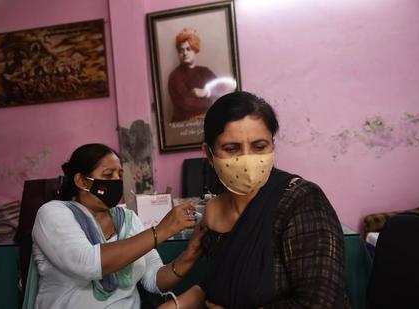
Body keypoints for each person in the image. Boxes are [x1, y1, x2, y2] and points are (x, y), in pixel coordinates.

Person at [160, 91, 351, 308]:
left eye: (259, 147)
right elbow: (225, 284)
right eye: (231, 149)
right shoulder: (213, 213)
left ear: (273, 146)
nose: (247, 159)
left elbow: (321, 302)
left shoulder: (301, 202)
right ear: (209, 154)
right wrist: (176, 305)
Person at [32, 143, 205, 308]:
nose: (116, 181)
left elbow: (153, 279)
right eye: (108, 175)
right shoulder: (54, 213)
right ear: (82, 182)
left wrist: (190, 254)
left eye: (119, 175)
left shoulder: (128, 220)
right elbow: (88, 264)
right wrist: (161, 231)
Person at [168, 28, 217, 122]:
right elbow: (186, 104)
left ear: (195, 50)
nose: (185, 53)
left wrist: (206, 92)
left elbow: (223, 90)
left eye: (188, 49)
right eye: (181, 50)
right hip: (183, 125)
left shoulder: (204, 71)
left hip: (207, 122)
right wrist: (210, 101)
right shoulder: (175, 76)